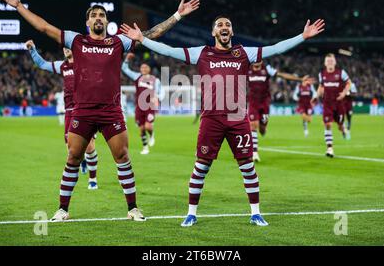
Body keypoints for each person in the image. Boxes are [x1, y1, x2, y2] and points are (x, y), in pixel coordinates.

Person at [0, 0, 199, 221]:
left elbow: (152, 34)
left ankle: (133, 208)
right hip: (82, 111)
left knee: (122, 157)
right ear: (87, 23)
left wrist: (177, 15)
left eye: (101, 15)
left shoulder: (118, 42)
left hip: (111, 111)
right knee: (73, 158)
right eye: (93, 15)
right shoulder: (76, 40)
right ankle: (63, 209)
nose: (98, 18)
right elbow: (44, 27)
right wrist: (19, 6)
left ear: (106, 21)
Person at [121, 16, 325, 227]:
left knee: (247, 167)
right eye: (219, 25)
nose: (224, 27)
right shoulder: (201, 52)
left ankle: (256, 213)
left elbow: (276, 48)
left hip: (238, 118)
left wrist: (302, 36)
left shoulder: (244, 52)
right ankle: (191, 213)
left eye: (228, 24)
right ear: (213, 33)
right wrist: (143, 40)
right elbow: (169, 50)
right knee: (201, 166)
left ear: (232, 32)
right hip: (212, 119)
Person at [25, 40, 99, 190]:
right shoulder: (62, 65)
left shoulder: (85, 62)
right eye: (64, 47)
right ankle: (82, 161)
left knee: (90, 147)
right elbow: (42, 64)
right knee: (71, 149)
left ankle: (93, 179)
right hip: (70, 112)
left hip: (85, 109)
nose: (65, 49)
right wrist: (32, 49)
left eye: (68, 46)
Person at [248, 61, 309, 162]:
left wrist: (300, 79)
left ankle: (263, 128)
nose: (256, 61)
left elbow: (282, 75)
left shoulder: (267, 69)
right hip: (253, 103)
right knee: (253, 125)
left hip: (265, 104)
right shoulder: (247, 69)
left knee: (262, 129)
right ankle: (255, 153)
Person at [121, 52, 164, 155]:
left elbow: (161, 91)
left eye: (145, 67)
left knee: (148, 126)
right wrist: (127, 59)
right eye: (142, 67)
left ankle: (152, 134)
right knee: (141, 129)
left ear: (149, 69)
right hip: (139, 106)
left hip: (150, 106)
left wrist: (157, 97)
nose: (143, 69)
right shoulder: (137, 77)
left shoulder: (155, 80)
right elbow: (125, 69)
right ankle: (145, 147)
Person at [312, 53, 351, 158]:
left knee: (340, 126)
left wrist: (343, 93)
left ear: (335, 62)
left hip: (339, 104)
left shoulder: (341, 73)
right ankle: (330, 148)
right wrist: (316, 96)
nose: (329, 62)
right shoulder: (322, 74)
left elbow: (348, 83)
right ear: (325, 63)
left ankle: (343, 130)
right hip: (327, 104)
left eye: (331, 60)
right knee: (327, 124)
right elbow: (321, 87)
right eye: (328, 60)